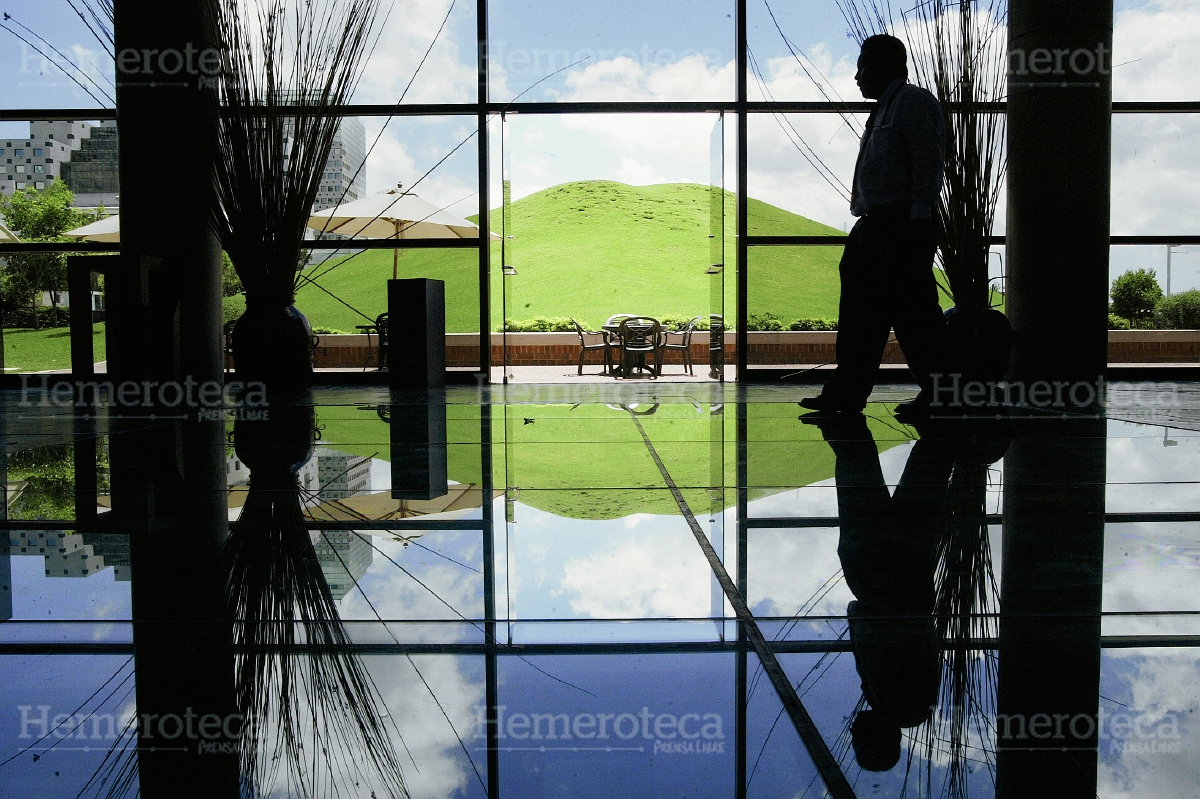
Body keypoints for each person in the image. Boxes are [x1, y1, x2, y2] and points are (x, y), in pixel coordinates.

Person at [800, 34, 948, 419]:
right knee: (860, 313)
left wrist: (917, 225)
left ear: (885, 66)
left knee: (914, 316)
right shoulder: (886, 108)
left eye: (863, 66)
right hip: (875, 224)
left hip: (900, 225)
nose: (856, 76)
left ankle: (942, 395)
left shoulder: (913, 103)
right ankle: (846, 394)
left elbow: (928, 165)